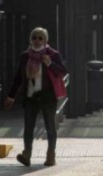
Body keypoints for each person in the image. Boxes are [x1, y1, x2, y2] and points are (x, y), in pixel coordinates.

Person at [3, 28, 67, 167]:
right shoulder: (25, 56)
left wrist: (50, 63)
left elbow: (62, 71)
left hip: (48, 96)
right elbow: (19, 77)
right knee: (28, 127)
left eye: (40, 38)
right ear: (30, 40)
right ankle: (27, 154)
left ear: (45, 40)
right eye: (34, 38)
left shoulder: (53, 54)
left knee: (50, 127)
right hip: (31, 96)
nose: (37, 40)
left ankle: (51, 155)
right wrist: (11, 96)